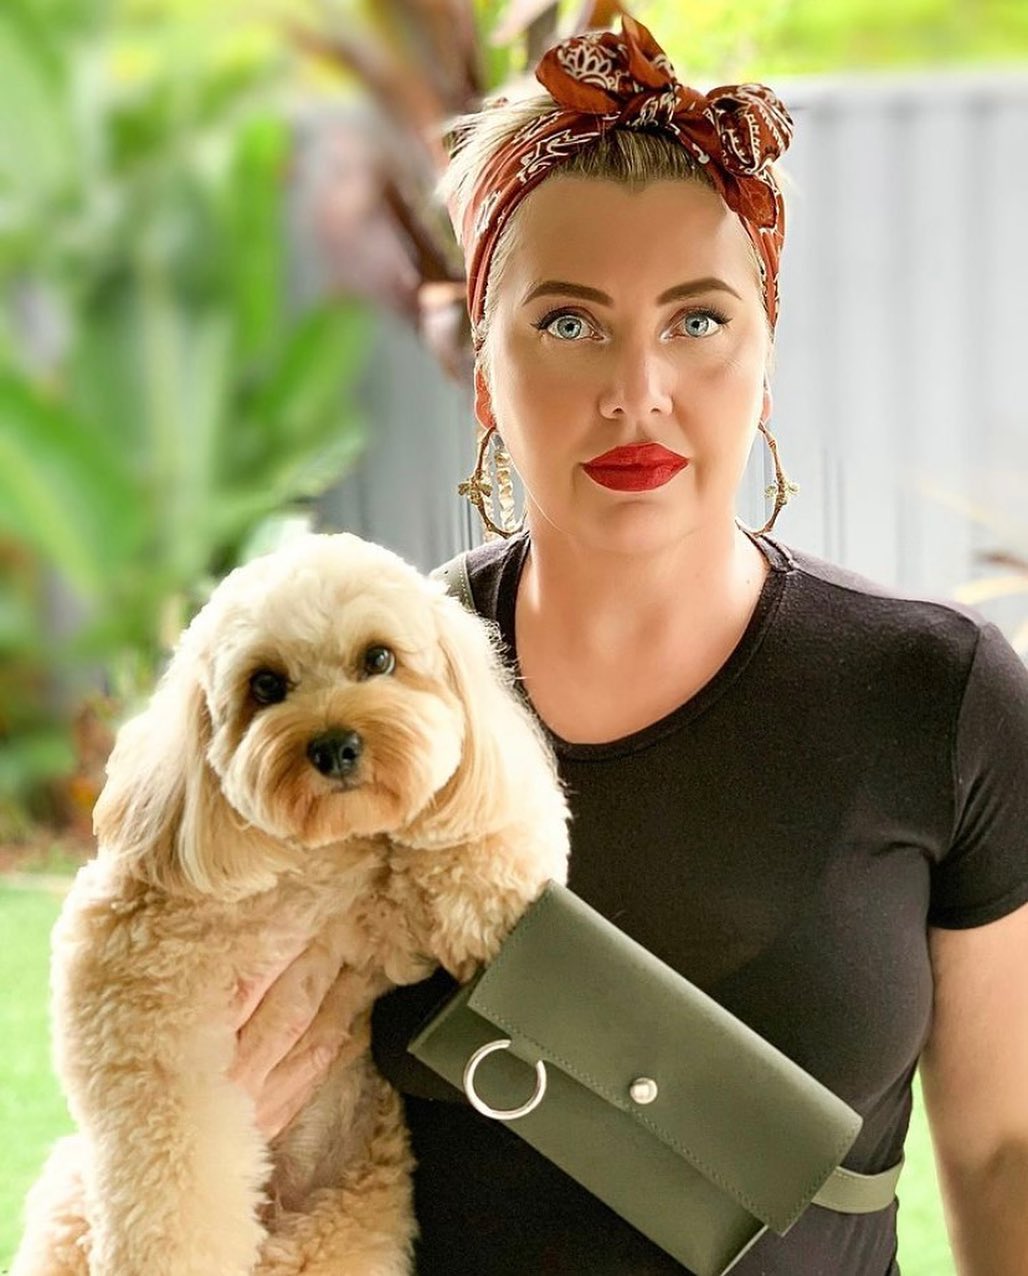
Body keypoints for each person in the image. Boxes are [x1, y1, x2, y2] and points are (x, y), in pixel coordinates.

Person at [229, 13, 1028, 1274]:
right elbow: (229, 1104)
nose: (636, 388)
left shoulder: (935, 695)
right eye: (567, 321)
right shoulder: (357, 696)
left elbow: (1000, 1153)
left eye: (698, 321)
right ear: (483, 378)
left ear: (764, 357)